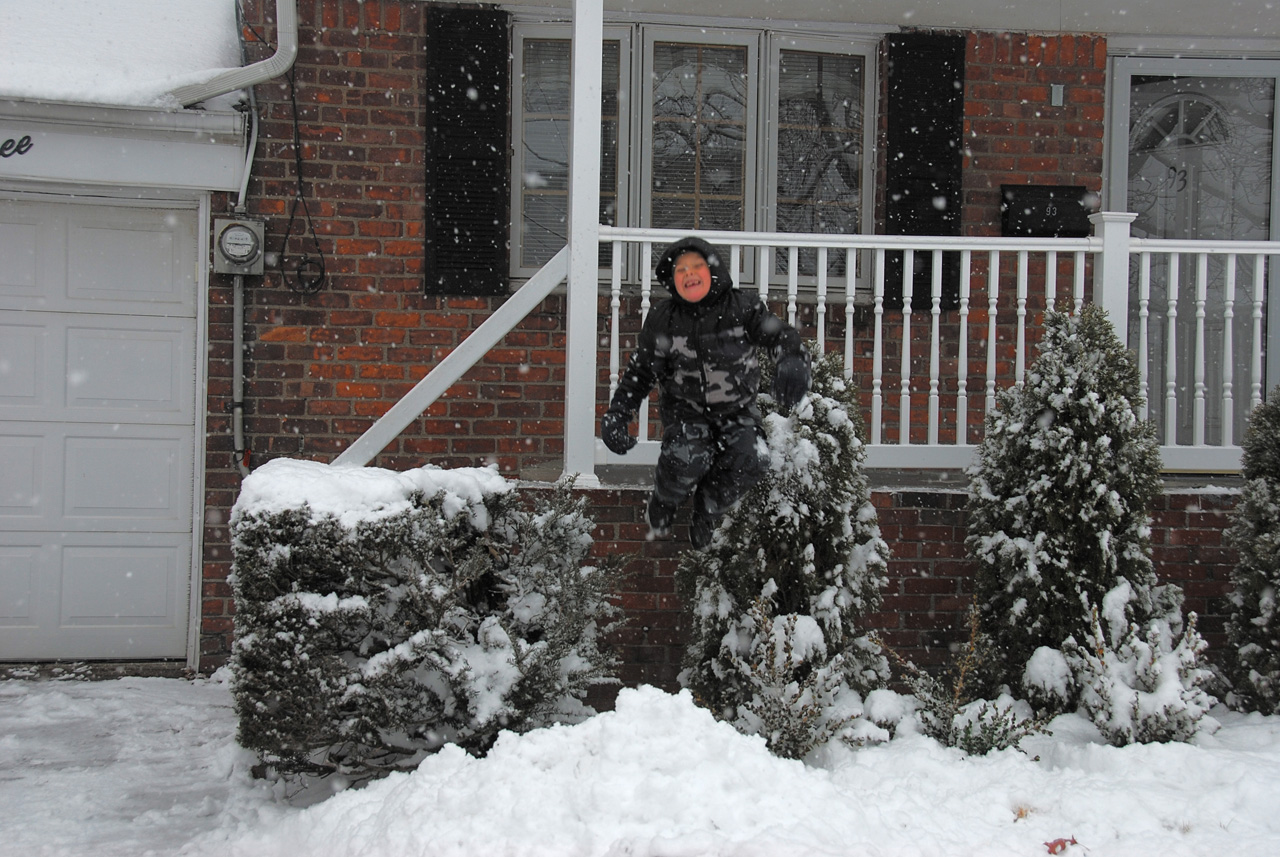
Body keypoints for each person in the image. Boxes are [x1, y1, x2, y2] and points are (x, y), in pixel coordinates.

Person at [599, 236, 811, 549]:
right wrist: (618, 414)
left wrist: (792, 359)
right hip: (686, 412)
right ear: (672, 280)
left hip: (737, 411)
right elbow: (640, 373)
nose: (689, 274)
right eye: (680, 270)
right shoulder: (663, 320)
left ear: (714, 270)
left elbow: (781, 335)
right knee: (686, 460)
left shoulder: (743, 308)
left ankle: (708, 508)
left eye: (696, 266)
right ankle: (666, 499)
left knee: (753, 458)